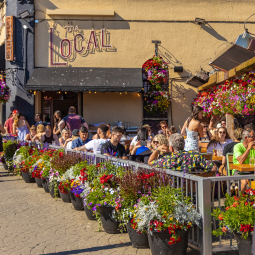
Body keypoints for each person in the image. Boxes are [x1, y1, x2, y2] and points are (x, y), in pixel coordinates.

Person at [149, 133, 217, 173]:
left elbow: (150, 162)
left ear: (171, 148)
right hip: (194, 193)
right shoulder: (195, 156)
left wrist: (157, 150)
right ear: (184, 145)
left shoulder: (167, 160)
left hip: (174, 194)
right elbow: (213, 168)